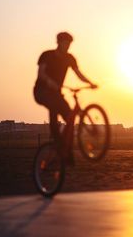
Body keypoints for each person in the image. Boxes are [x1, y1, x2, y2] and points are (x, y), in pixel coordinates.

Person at [34, 32, 96, 160]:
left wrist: (90, 83)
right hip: (41, 92)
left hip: (57, 94)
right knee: (54, 105)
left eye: (69, 43)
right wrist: (51, 83)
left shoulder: (70, 58)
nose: (68, 46)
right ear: (58, 42)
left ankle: (66, 150)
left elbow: (79, 74)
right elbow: (41, 74)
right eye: (65, 43)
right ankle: (57, 141)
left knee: (70, 118)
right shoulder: (47, 55)